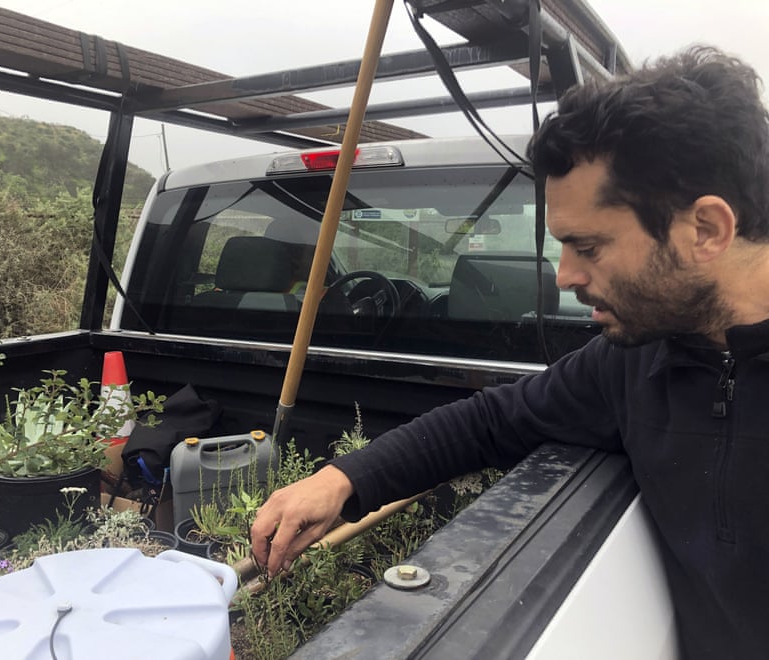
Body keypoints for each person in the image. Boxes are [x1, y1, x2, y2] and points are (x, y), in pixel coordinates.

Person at [250, 45, 769, 659]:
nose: (564, 276)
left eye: (589, 247)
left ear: (705, 230)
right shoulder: (636, 360)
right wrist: (342, 479)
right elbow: (494, 420)